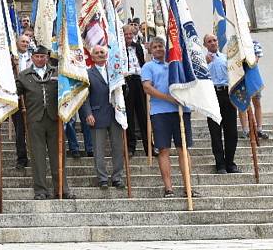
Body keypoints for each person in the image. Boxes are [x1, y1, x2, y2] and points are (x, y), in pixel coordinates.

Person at [141, 37, 200, 198]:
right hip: (160, 112)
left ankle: (188, 187)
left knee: (183, 149)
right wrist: (168, 98)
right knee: (163, 149)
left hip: (181, 110)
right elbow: (147, 87)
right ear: (150, 50)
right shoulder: (148, 66)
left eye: (161, 46)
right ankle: (168, 188)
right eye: (155, 47)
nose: (159, 49)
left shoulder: (177, 64)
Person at [16, 45, 74, 200]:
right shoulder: (23, 75)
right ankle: (40, 190)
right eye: (37, 56)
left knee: (58, 156)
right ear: (32, 57)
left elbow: (68, 91)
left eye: (43, 57)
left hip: (55, 119)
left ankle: (62, 188)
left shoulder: (57, 72)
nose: (40, 59)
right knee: (37, 156)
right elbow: (14, 93)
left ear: (47, 57)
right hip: (35, 120)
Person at [80, 45, 125, 189]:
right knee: (99, 149)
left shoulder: (115, 72)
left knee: (117, 147)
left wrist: (123, 83)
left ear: (107, 55)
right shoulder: (87, 73)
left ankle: (117, 177)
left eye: (102, 52)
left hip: (116, 113)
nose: (100, 54)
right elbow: (84, 97)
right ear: (92, 56)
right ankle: (102, 178)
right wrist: (88, 113)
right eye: (97, 53)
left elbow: (124, 93)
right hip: (97, 114)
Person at [203, 34, 239, 174]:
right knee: (215, 131)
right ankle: (220, 164)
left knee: (231, 132)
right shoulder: (202, 60)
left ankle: (230, 162)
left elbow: (235, 75)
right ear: (205, 45)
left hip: (227, 94)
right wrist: (204, 63)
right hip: (212, 95)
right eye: (209, 41)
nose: (212, 43)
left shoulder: (226, 58)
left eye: (214, 40)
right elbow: (196, 76)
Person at [123, 24, 148, 156]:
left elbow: (143, 62)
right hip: (127, 80)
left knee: (143, 113)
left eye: (130, 34)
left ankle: (148, 145)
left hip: (139, 79)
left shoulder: (138, 46)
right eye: (126, 34)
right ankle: (130, 146)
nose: (128, 36)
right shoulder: (120, 48)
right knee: (129, 115)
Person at [239, 40, 269, 139]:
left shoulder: (254, 43)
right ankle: (245, 130)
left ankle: (259, 129)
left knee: (257, 103)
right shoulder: (235, 44)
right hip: (240, 76)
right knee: (242, 105)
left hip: (252, 76)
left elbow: (255, 60)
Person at [11, 34, 32, 169]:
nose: (25, 43)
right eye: (22, 41)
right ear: (17, 43)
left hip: (32, 97)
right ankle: (22, 158)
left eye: (27, 42)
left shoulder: (34, 57)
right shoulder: (11, 58)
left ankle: (35, 156)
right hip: (17, 98)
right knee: (20, 130)